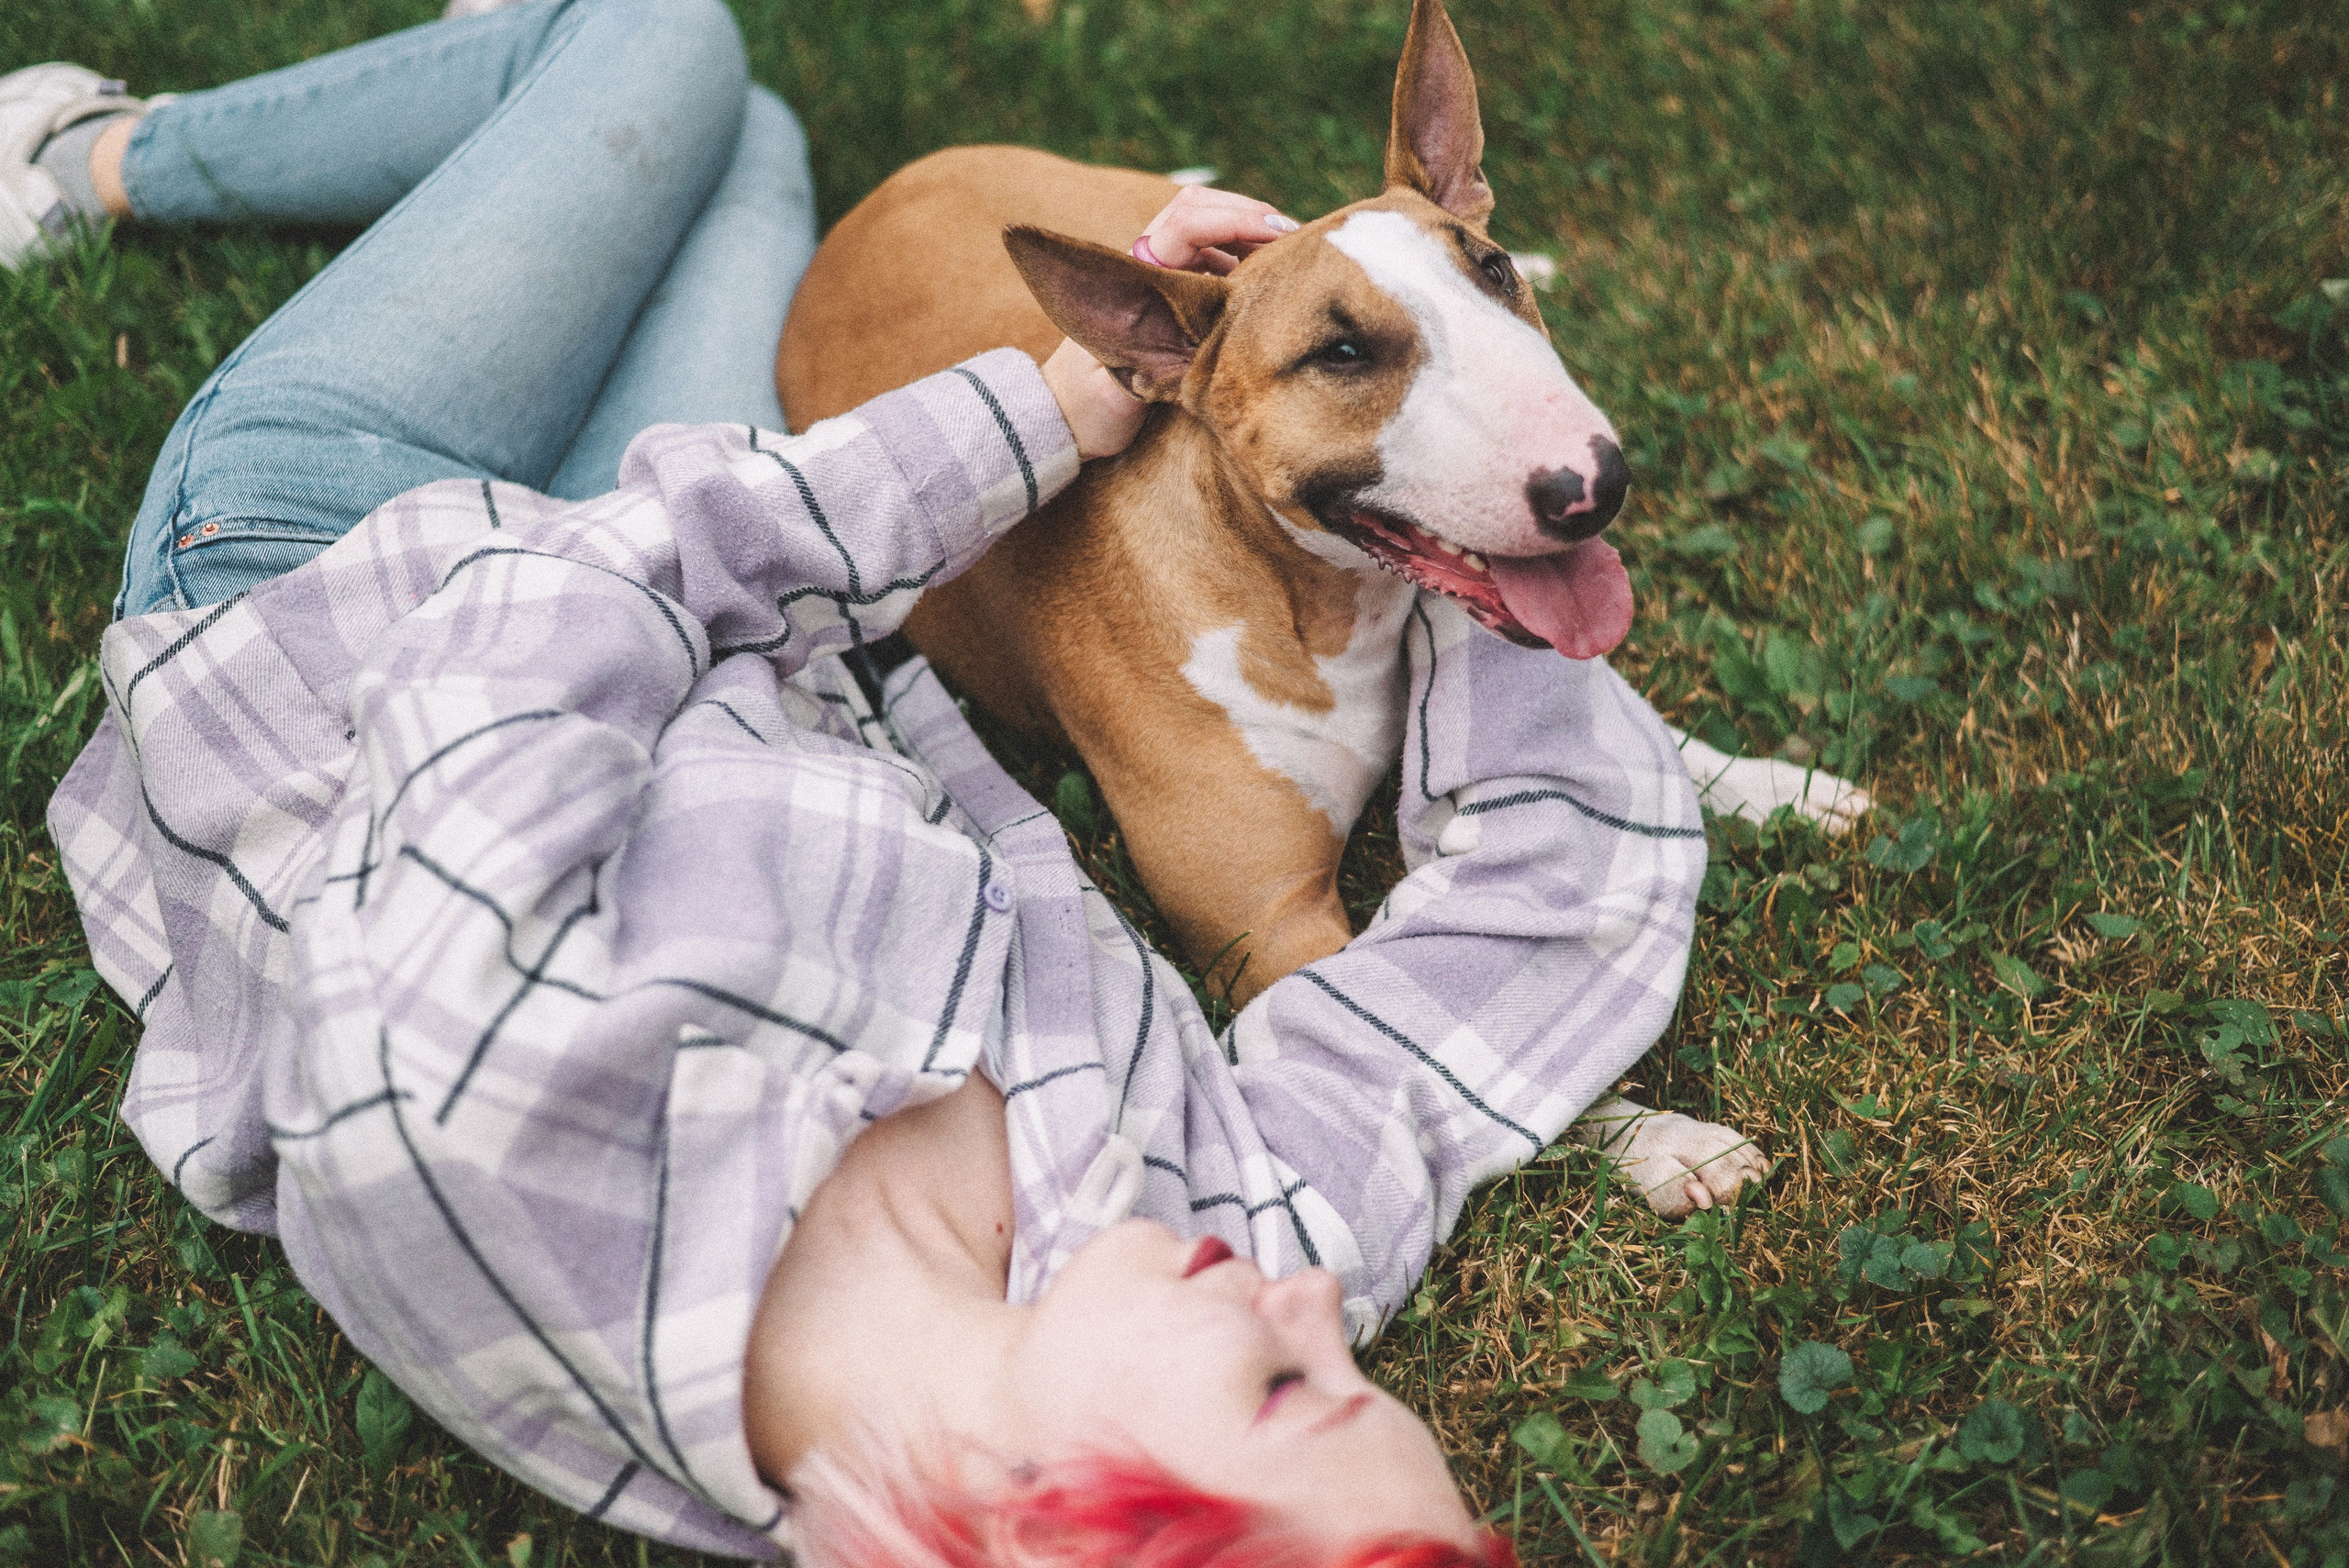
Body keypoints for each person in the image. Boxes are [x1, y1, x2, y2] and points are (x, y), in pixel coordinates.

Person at [20, 0, 1744, 1560]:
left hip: (344, 572)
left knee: (675, 56)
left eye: (1294, 1391)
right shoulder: (1218, 1236)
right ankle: (502, 99)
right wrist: (1534, 650)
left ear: (1049, 1517)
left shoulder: (460, 1108)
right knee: (724, 130)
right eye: (1363, 1381)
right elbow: (1461, 1006)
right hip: (752, 594)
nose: (1320, 1310)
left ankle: (93, 157)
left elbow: (533, 618)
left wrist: (1036, 425)